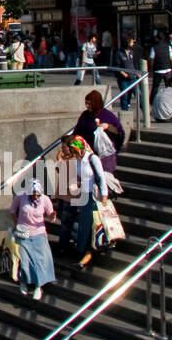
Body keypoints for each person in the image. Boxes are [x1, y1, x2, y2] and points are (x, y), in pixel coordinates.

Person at [56, 135, 108, 268]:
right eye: (72, 151)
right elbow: (77, 176)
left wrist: (104, 196)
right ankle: (82, 251)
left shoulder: (92, 158)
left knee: (87, 224)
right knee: (84, 224)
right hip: (82, 194)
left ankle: (86, 252)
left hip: (92, 196)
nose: (73, 154)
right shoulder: (78, 160)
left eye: (74, 151)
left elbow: (101, 176)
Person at [10, 180, 56, 300]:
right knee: (24, 260)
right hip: (23, 234)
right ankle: (23, 282)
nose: (35, 196)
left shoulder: (45, 199)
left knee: (39, 262)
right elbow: (12, 211)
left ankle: (38, 286)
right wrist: (16, 224)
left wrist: (52, 216)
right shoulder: (20, 196)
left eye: (37, 193)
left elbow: (51, 216)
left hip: (39, 234)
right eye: (33, 193)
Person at [72, 89, 125, 174]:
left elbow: (120, 133)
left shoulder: (108, 116)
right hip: (86, 155)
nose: (88, 106)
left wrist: (108, 127)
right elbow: (77, 134)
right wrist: (78, 150)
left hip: (104, 157)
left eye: (90, 104)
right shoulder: (85, 115)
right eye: (86, 104)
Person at [149, 29, 171, 102]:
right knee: (169, 87)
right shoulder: (168, 46)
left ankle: (151, 101)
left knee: (155, 87)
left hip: (158, 70)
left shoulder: (154, 47)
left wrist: (151, 69)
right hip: (167, 69)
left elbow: (152, 60)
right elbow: (171, 58)